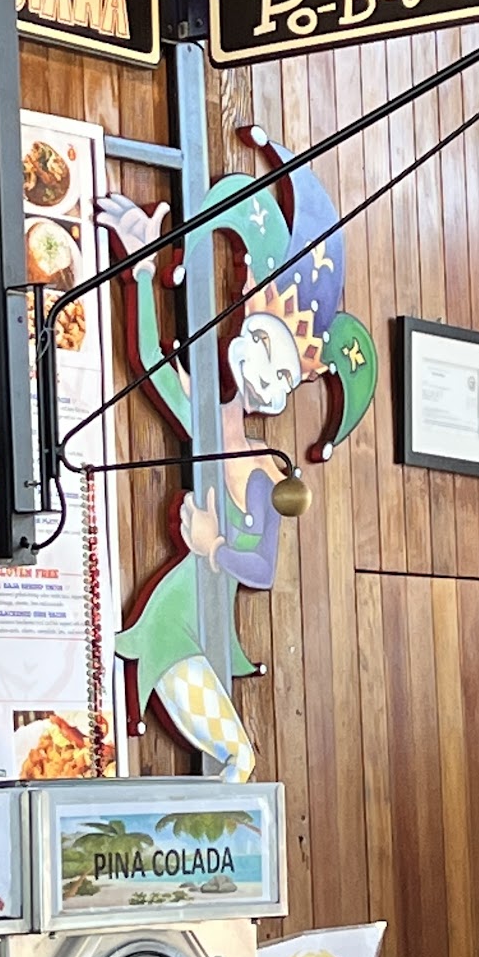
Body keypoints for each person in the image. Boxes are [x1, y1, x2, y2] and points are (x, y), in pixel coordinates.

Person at [98, 126, 377, 780]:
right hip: (177, 611)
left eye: (287, 378)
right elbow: (149, 359)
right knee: (234, 753)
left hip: (206, 612)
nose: (269, 380)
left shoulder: (266, 470)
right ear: (248, 319)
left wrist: (210, 544)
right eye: (269, 351)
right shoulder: (201, 415)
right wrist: (142, 269)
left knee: (238, 759)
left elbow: (263, 568)